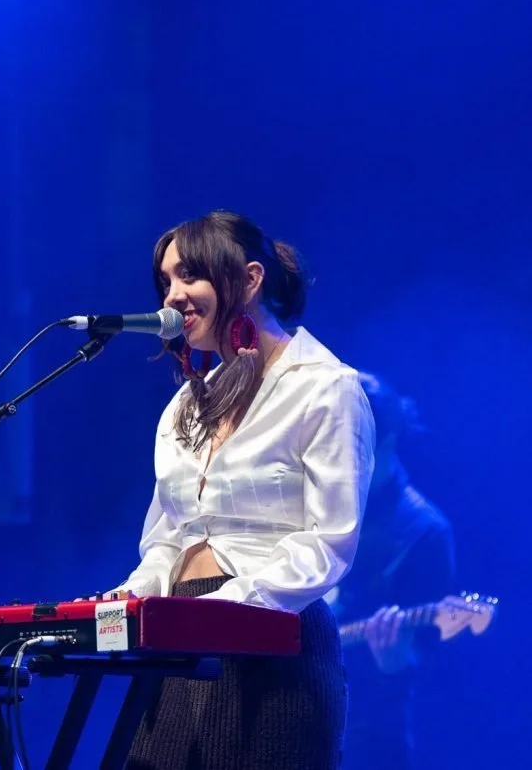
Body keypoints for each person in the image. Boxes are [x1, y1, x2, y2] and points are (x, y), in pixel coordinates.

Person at [107, 210, 375, 770]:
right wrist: (136, 595)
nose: (173, 296)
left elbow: (330, 541)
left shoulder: (326, 389)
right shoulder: (186, 404)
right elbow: (169, 535)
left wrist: (224, 608)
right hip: (178, 647)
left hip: (275, 646)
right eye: (166, 282)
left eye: (189, 276)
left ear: (251, 279)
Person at [329, 373, 455, 770]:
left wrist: (397, 665)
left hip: (368, 726)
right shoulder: (316, 499)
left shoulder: (424, 530)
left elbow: (433, 661)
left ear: (388, 440)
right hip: (300, 700)